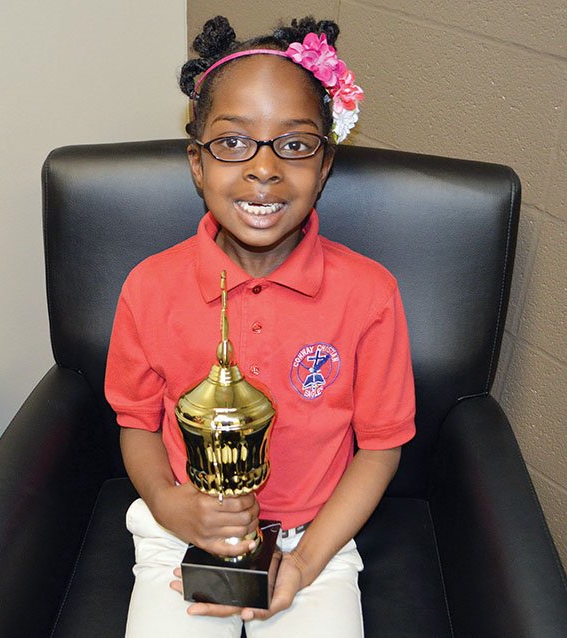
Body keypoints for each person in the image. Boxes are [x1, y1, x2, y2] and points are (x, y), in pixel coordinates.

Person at [105, 15, 416, 638]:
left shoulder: (371, 293)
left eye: (295, 145)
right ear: (197, 163)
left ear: (324, 166)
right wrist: (172, 506)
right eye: (233, 142)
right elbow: (136, 422)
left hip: (315, 539)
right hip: (181, 529)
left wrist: (302, 562)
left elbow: (380, 445)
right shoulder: (148, 285)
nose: (264, 169)